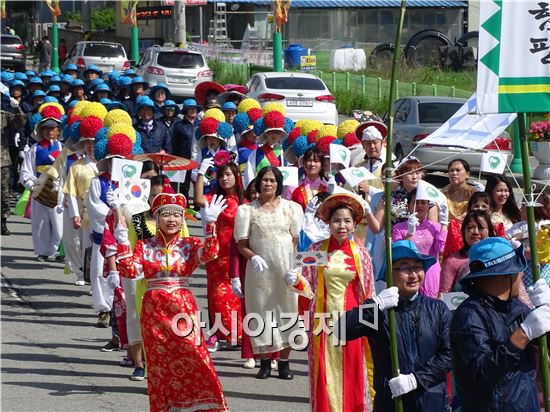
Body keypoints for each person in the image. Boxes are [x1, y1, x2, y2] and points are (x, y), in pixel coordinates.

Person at [115, 192, 229, 412]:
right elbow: (130, 270)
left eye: (177, 215)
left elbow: (210, 253)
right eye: (165, 214)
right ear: (156, 219)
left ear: (182, 219)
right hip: (154, 311)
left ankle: (205, 406)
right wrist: (121, 243)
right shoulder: (145, 245)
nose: (172, 219)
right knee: (160, 364)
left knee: (196, 354)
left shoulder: (190, 244)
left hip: (182, 310)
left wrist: (211, 224)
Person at [286, 192, 376, 411]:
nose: (341, 226)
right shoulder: (317, 250)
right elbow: (305, 283)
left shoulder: (362, 254)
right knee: (323, 372)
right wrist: (293, 280)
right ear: (329, 223)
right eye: (337, 220)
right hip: (323, 323)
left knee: (353, 371)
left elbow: (369, 292)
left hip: (352, 323)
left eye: (347, 221)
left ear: (355, 225)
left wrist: (370, 324)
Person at [343, 239, 453, 412]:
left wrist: (416, 379)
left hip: (432, 402)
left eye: (418, 267)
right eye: (404, 267)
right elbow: (341, 330)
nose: (413, 275)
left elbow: (449, 354)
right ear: (389, 273)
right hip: (391, 402)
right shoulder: (380, 310)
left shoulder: (438, 309)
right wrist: (375, 306)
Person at [450, 237, 550, 411]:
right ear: (507, 275)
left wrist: (546, 311)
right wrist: (522, 335)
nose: (521, 276)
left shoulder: (517, 307)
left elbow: (545, 342)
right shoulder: (469, 315)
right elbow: (483, 372)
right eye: (519, 271)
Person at [234, 166, 304, 379]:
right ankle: (264, 362)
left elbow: (296, 241)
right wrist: (252, 257)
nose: (268, 184)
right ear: (258, 182)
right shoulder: (247, 210)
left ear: (278, 183)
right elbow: (241, 243)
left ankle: (284, 363)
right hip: (260, 273)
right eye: (264, 179)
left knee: (287, 312)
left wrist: (296, 268)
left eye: (272, 180)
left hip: (285, 271)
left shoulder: (291, 208)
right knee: (261, 314)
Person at [195, 158, 243, 352]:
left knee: (236, 294)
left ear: (236, 177)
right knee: (216, 295)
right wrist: (200, 173)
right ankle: (216, 333)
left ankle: (238, 333)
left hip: (236, 253)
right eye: (221, 175)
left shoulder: (244, 199)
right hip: (215, 252)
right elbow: (198, 200)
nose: (225, 178)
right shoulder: (215, 197)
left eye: (229, 174)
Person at [19, 113, 64, 261]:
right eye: (46, 128)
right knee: (41, 222)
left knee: (60, 222)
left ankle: (59, 251)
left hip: (59, 191)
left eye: (53, 128)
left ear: (58, 131)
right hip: (40, 191)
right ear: (41, 130)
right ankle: (42, 251)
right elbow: (26, 171)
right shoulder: (35, 149)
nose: (50, 131)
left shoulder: (64, 149)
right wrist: (34, 186)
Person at [392, 189, 447, 298]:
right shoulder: (399, 228)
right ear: (408, 205)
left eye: (423, 202)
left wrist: (444, 224)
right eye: (416, 202)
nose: (420, 206)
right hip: (409, 272)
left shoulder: (435, 227)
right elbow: (400, 251)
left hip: (431, 273)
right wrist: (410, 232)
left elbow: (441, 248)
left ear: (428, 205)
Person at [440, 210, 497, 293]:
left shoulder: (499, 258)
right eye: (470, 227)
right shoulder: (452, 262)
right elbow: (444, 297)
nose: (476, 232)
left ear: (489, 231)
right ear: (463, 232)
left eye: (481, 228)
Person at [442, 191, 506, 261]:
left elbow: (502, 252)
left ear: (490, 209)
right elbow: (451, 250)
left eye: (484, 206)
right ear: (469, 208)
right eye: (476, 206)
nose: (480, 209)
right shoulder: (457, 225)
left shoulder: (498, 227)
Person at [172, 98, 200, 200]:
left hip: (197, 158)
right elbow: (174, 144)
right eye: (190, 109)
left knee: (199, 182)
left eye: (195, 108)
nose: (193, 111)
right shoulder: (179, 126)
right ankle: (185, 206)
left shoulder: (200, 124)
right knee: (184, 186)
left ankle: (198, 207)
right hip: (184, 159)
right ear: (185, 111)